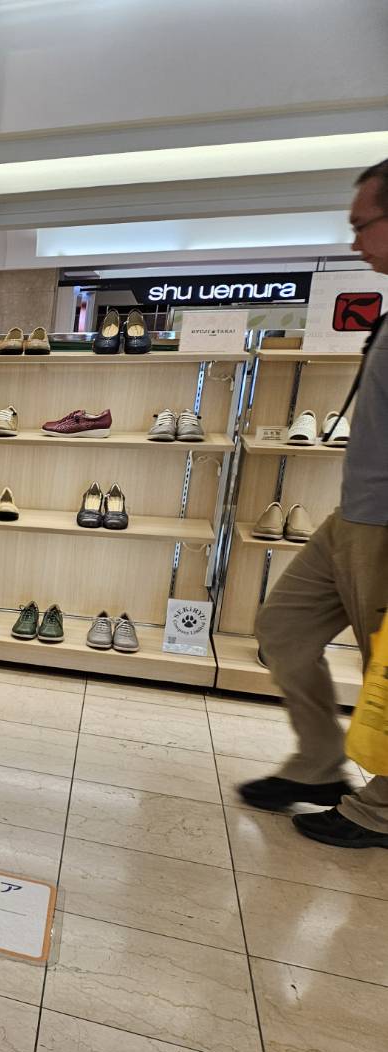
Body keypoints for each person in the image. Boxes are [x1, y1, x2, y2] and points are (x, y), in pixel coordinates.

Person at [241, 157, 388, 848]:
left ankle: (381, 808)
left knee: (385, 663)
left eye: (363, 224)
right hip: (354, 514)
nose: (354, 241)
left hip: (382, 523)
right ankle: (319, 763)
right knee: (282, 627)